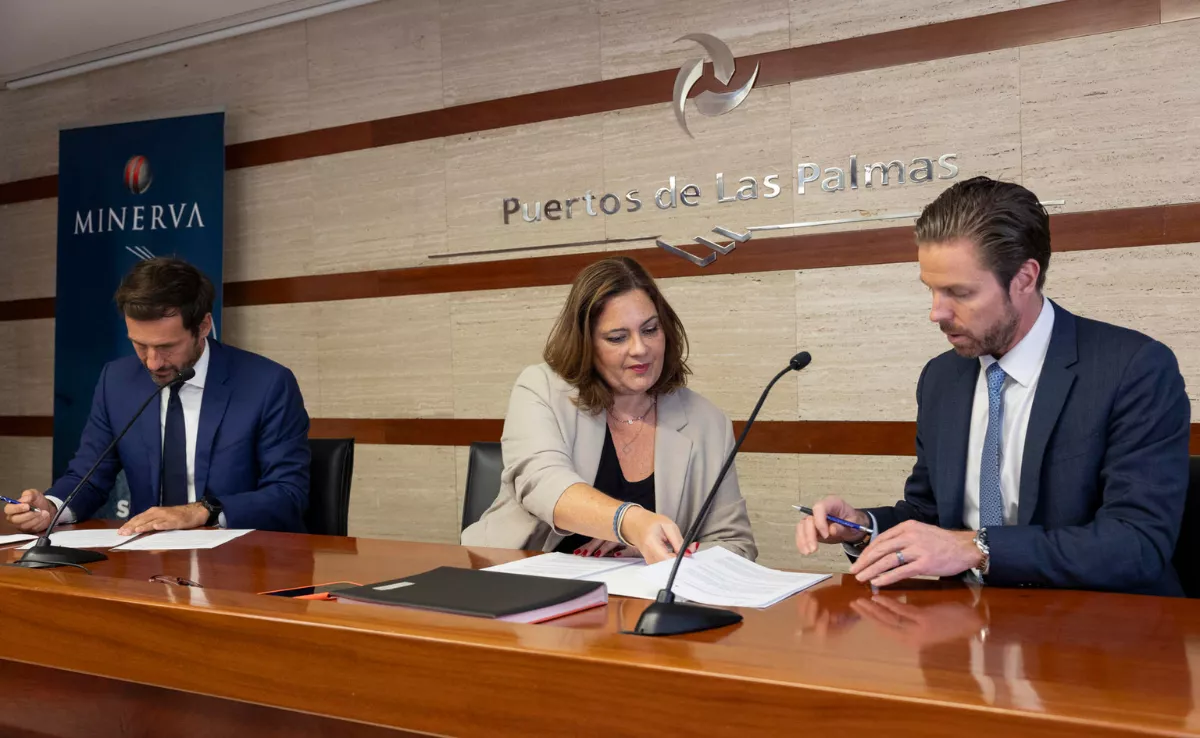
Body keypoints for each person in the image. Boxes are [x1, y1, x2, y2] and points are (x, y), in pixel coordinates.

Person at [795, 176, 1190, 596]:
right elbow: (930, 514)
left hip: (1100, 637)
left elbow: (1136, 544)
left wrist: (979, 548)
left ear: (1024, 278)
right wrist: (862, 527)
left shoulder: (1133, 368)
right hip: (964, 632)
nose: (936, 313)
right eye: (930, 290)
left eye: (959, 292)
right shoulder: (941, 378)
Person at [461, 256, 756, 563]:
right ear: (586, 343)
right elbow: (542, 482)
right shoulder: (541, 388)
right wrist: (631, 523)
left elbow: (736, 545)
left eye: (650, 330)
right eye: (617, 337)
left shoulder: (707, 423)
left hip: (640, 600)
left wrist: (664, 549)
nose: (640, 348)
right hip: (517, 581)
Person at [4, 258, 311, 535]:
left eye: (166, 347)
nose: (152, 362)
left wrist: (200, 512)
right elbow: (89, 475)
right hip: (150, 560)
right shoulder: (118, 381)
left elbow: (288, 493)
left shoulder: (267, 384)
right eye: (139, 345)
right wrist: (52, 508)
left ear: (203, 326)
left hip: (245, 560)